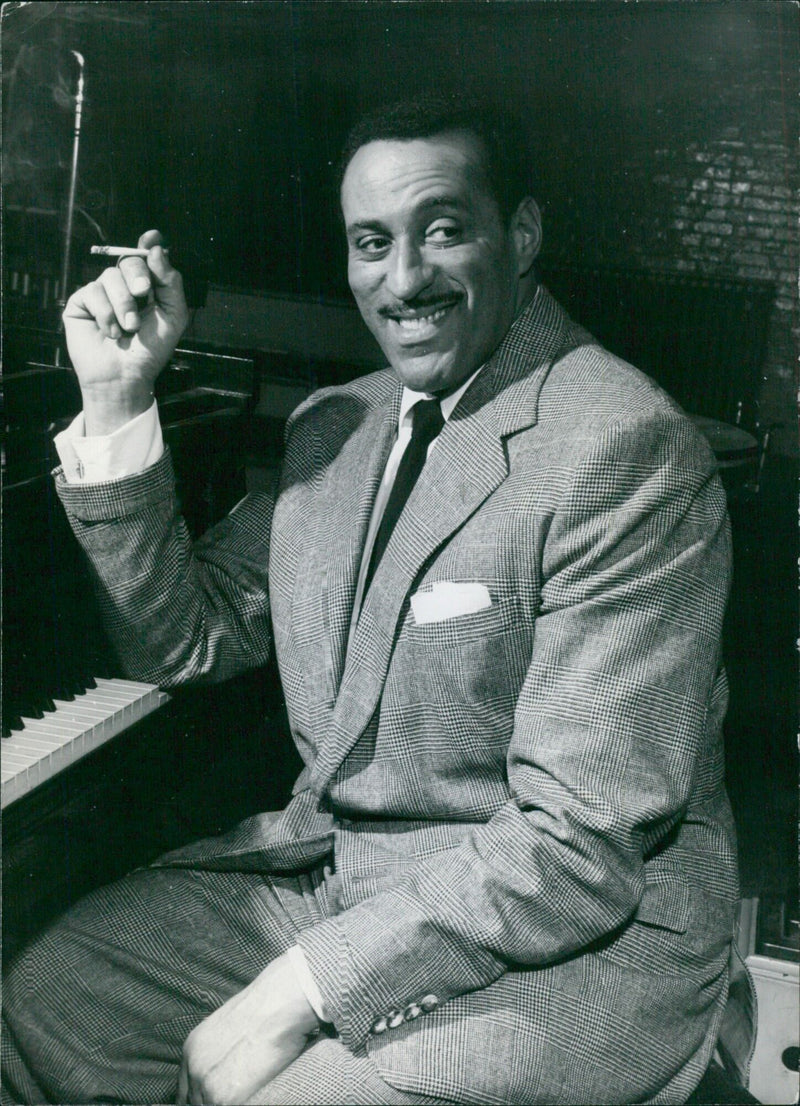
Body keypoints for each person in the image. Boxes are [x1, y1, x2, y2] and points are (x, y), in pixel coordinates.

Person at [2, 96, 740, 1106]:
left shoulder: (624, 448)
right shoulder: (332, 428)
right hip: (346, 878)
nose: (403, 280)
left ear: (518, 236)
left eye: (442, 230)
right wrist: (118, 398)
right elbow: (185, 638)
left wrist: (296, 990)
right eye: (370, 242)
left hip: (576, 935)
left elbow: (576, 844)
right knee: (53, 999)